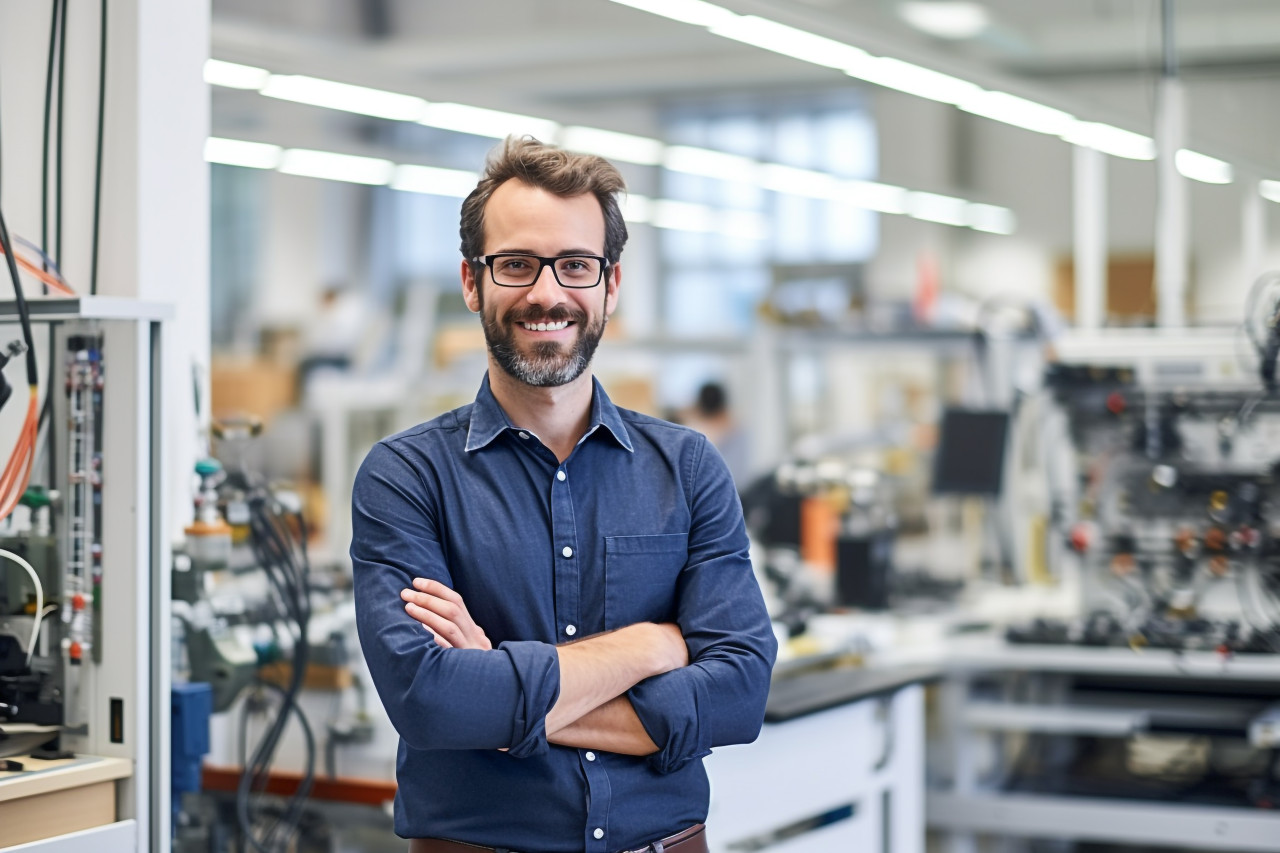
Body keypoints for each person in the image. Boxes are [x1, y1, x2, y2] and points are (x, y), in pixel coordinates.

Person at [350, 137, 777, 853]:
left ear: (610, 284)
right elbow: (429, 700)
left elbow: (739, 692)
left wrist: (497, 684)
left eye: (575, 265)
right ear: (471, 281)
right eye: (516, 264)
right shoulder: (405, 477)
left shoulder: (689, 467)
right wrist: (650, 645)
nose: (547, 293)